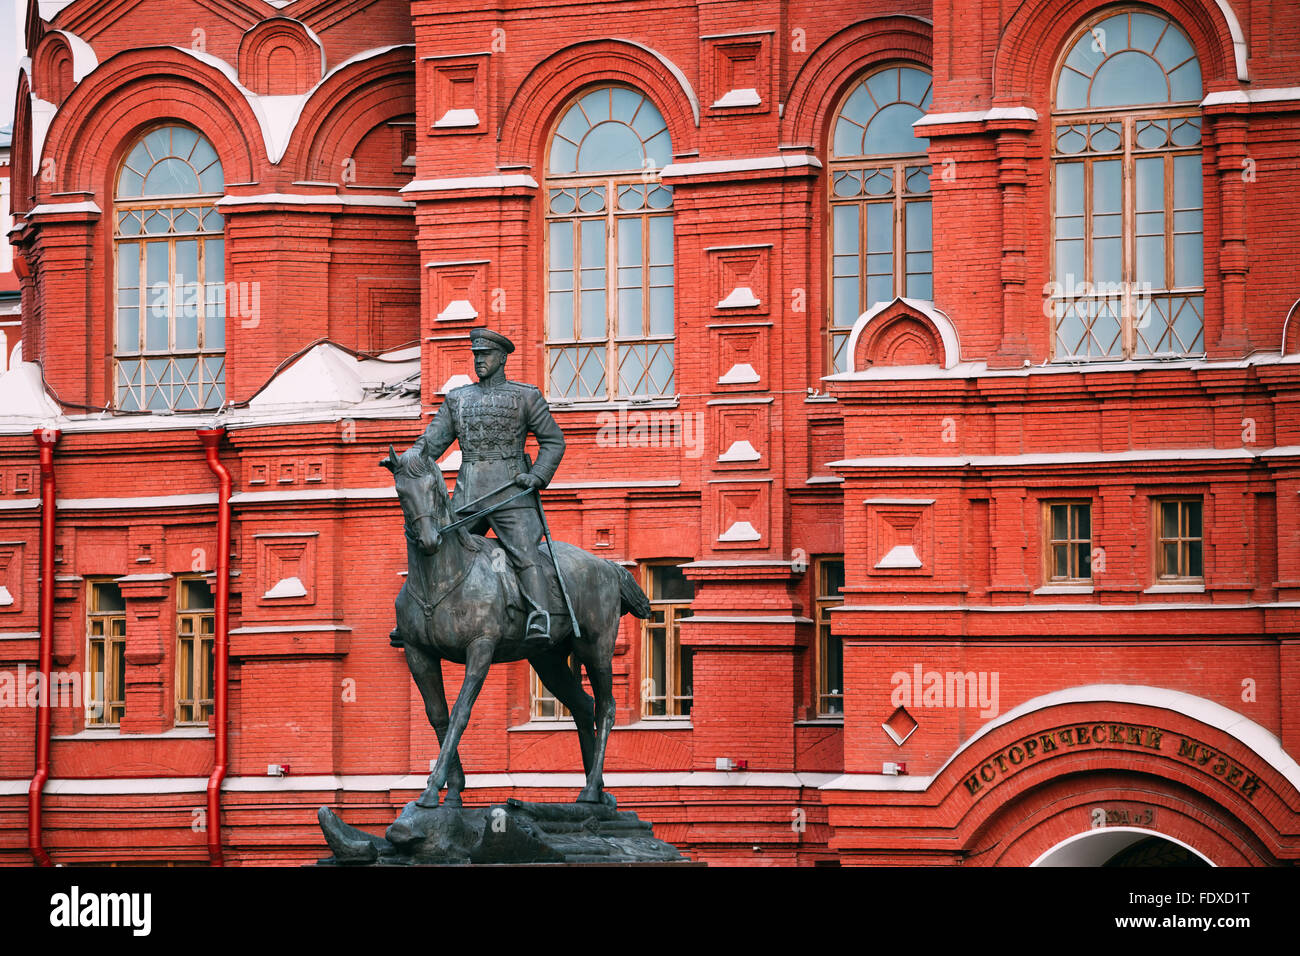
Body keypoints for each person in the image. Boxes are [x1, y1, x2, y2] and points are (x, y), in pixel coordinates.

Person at [405, 326, 565, 650]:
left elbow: (553, 441)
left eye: (486, 355)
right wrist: (407, 459)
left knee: (524, 552)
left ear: (502, 358)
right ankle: (415, 616)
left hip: (511, 493)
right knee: (431, 544)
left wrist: (537, 476)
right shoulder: (458, 399)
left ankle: (539, 615)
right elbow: (431, 443)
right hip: (468, 494)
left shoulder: (526, 396)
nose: (479, 361)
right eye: (476, 355)